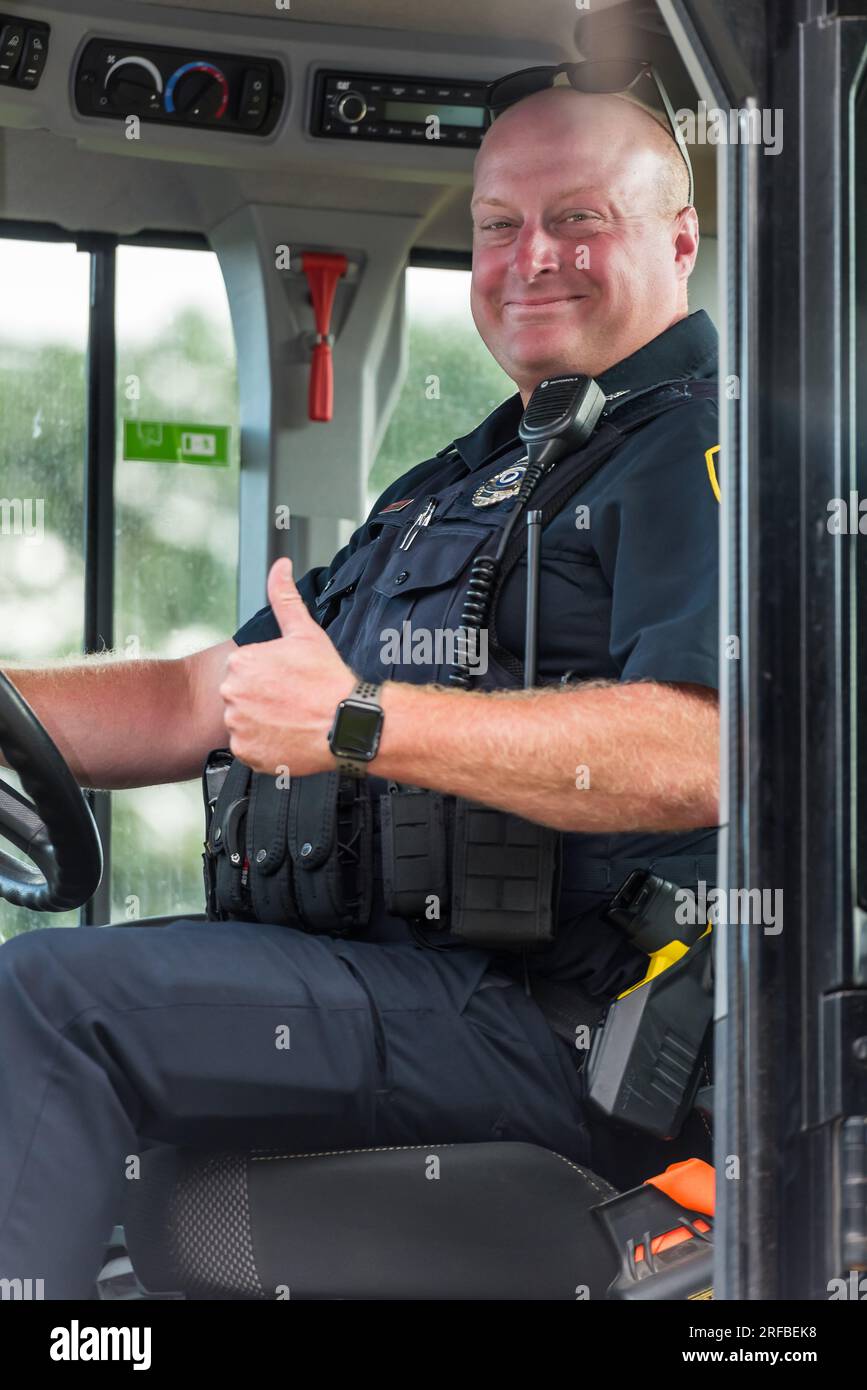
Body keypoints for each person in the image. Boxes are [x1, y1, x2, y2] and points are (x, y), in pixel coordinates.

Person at [0, 85, 720, 1299]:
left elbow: (703, 749)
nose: (532, 256)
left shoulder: (710, 449)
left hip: (556, 1021)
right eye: (498, 226)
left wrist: (358, 723)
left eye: (577, 218)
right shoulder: (463, 478)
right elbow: (198, 696)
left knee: (55, 1004)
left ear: (680, 239)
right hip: (394, 987)